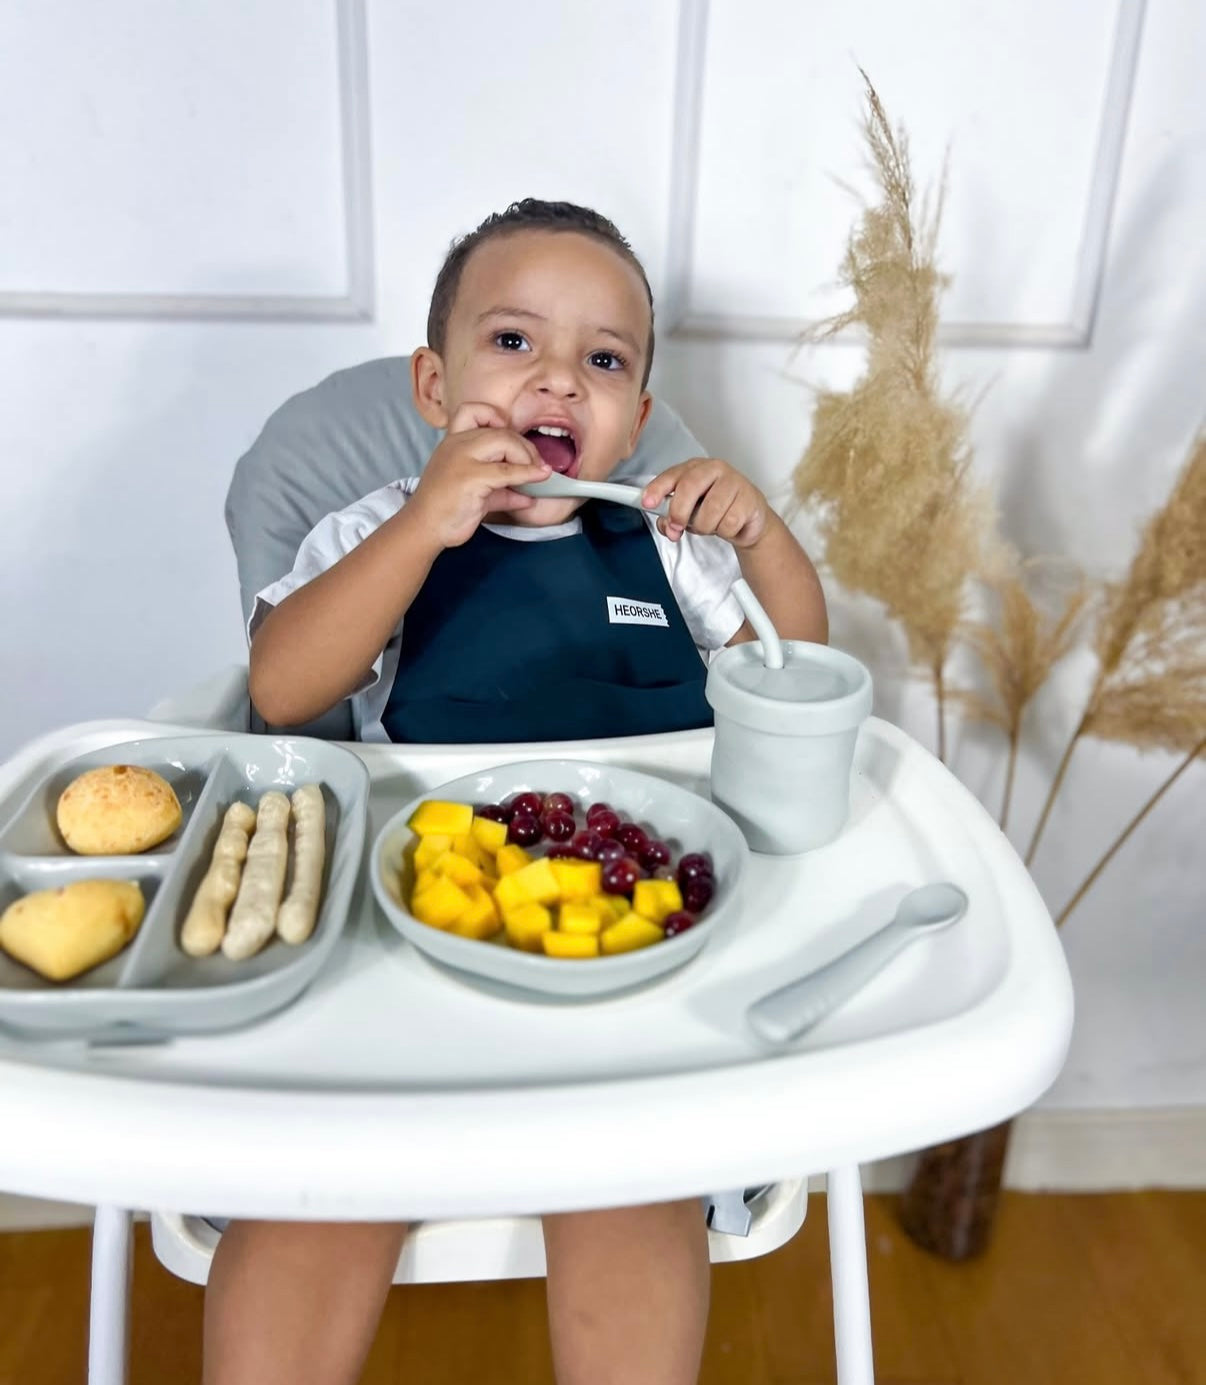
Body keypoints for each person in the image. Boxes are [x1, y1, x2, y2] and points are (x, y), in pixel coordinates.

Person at [208, 199, 827, 1385]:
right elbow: (283, 692)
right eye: (513, 343)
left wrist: (768, 545)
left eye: (603, 359)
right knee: (320, 1181)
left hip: (633, 940)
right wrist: (421, 530)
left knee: (632, 1186)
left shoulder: (672, 547)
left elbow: (793, 680)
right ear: (433, 387)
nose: (559, 378)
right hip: (411, 931)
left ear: (634, 419)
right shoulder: (374, 527)